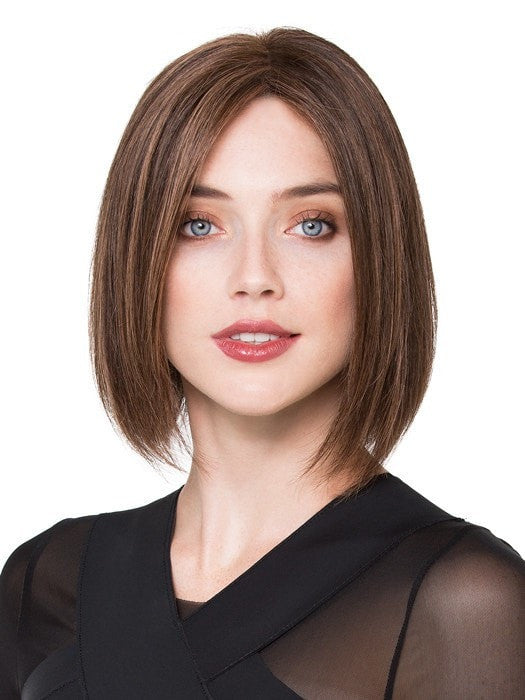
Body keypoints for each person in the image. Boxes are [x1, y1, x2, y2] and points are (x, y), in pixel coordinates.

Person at [1, 26, 523, 699]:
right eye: (199, 225)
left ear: (378, 258)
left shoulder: (462, 603)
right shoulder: (45, 583)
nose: (254, 277)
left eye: (311, 225)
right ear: (138, 258)